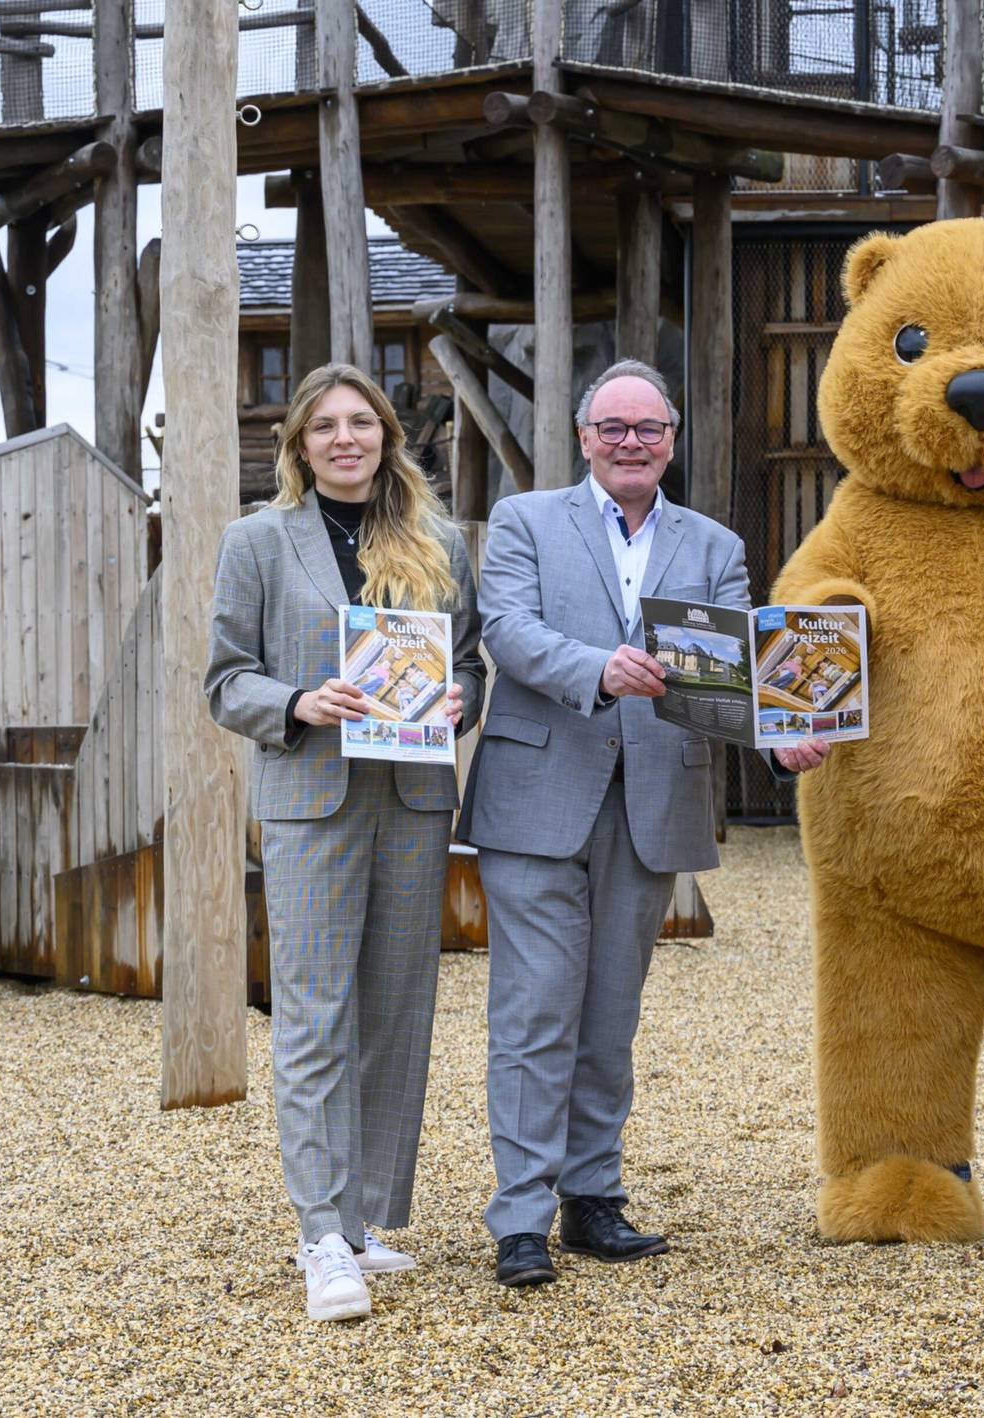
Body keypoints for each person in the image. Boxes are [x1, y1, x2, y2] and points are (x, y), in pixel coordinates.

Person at [462, 359, 827, 1288]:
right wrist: (597, 667)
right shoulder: (525, 522)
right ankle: (520, 1218)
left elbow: (731, 673)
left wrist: (778, 738)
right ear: (584, 436)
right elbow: (505, 629)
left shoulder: (712, 544)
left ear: (673, 440)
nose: (632, 442)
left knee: (609, 1014)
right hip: (539, 798)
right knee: (535, 1009)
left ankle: (593, 1197)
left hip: (654, 797)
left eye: (649, 429)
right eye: (613, 427)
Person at [205, 362, 485, 1322]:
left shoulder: (438, 539)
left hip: (411, 799)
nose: (345, 439)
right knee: (317, 1013)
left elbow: (473, 666)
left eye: (361, 423)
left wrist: (458, 701)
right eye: (324, 426)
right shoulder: (257, 541)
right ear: (299, 444)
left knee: (395, 1009)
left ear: (387, 437)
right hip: (313, 798)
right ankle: (321, 1230)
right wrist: (296, 700)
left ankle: (366, 1219)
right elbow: (224, 680)